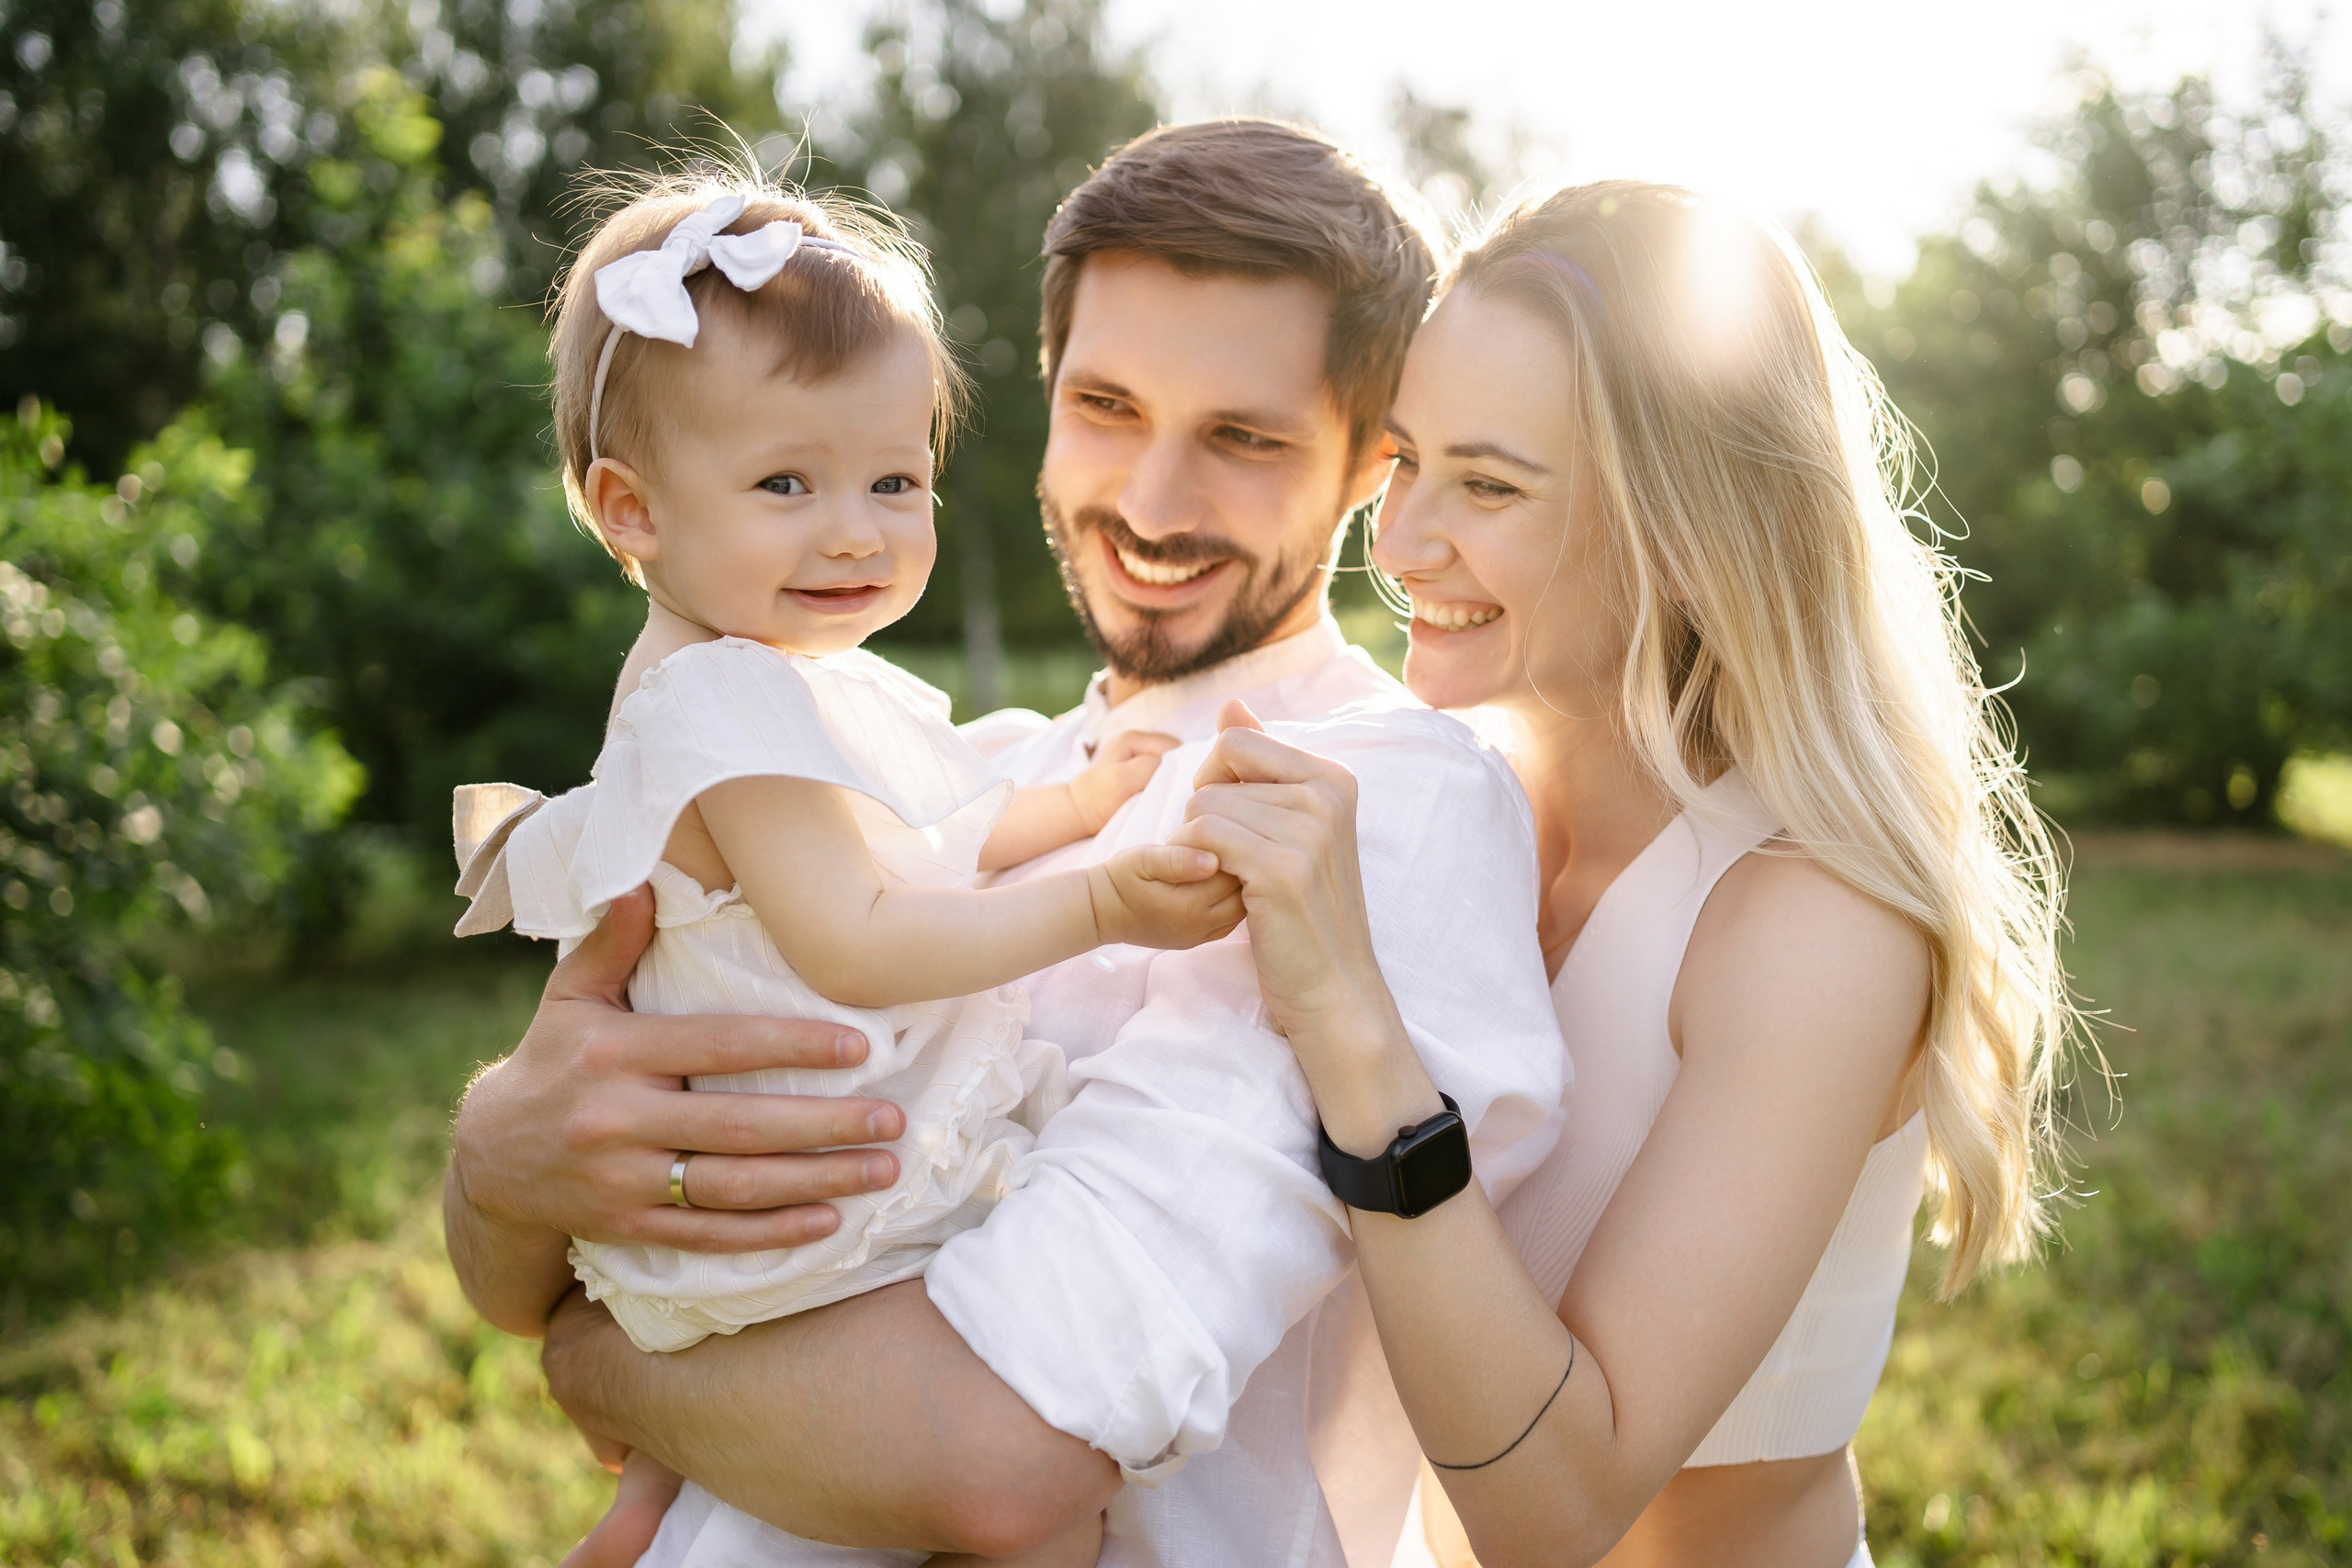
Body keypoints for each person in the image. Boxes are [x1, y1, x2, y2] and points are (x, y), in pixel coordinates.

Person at [440, 119, 1570, 1566]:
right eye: (1107, 406)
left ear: (1369, 462)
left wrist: (592, 1361)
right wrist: (498, 1161)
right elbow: (516, 1260)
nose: (1152, 504)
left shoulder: (1369, 803)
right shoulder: (969, 768)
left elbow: (995, 1456)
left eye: (1244, 437)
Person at [1174, 181, 2081, 1568]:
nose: (1400, 543)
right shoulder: (1435, 801)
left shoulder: (1811, 925)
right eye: (1405, 461)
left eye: (1490, 485)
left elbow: (1555, 1509)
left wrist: (1350, 1019)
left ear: (1688, 529)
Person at [449, 174, 1258, 1566]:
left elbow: (913, 840)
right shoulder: (721, 700)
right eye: (786, 483)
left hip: (786, 1187)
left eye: (895, 480)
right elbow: (859, 937)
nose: (854, 530)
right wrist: (1100, 898)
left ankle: (665, 1500)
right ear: (631, 508)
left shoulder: (762, 671)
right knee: (1043, 1521)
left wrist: (1071, 803)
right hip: (808, 1213)